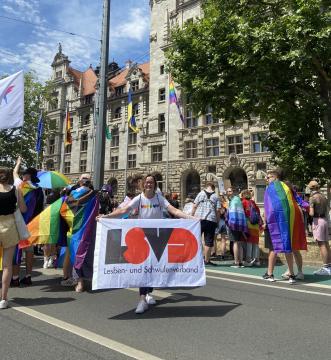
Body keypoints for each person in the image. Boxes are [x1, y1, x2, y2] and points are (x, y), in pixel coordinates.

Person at [97, 174, 197, 314]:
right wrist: (105, 217)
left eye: (151, 182)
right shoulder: (138, 199)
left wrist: (191, 218)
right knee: (143, 268)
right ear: (143, 184)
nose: (149, 184)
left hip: (157, 238)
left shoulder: (158, 198)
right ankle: (142, 299)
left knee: (153, 267)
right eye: (147, 182)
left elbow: (173, 211)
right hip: (142, 238)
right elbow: (124, 210)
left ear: (155, 185)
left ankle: (149, 293)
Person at [263, 170, 307, 283]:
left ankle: (271, 274)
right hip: (291, 220)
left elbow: (268, 207)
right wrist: (306, 205)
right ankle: (293, 274)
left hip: (277, 222)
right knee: (290, 248)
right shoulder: (287, 187)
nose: (267, 179)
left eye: (269, 177)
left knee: (276, 248)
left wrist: (266, 221)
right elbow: (298, 200)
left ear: (275, 177)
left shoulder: (271, 188)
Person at [12, 157, 44, 286]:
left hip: (18, 222)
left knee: (17, 249)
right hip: (32, 223)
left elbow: (14, 173)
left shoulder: (19, 185)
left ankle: (14, 278)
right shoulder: (39, 189)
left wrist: (18, 162)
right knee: (29, 251)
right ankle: (28, 276)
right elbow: (41, 207)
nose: (22, 175)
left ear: (27, 176)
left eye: (24, 173)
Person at [0, 167, 27, 308]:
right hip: (9, 226)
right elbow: (23, 209)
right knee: (7, 265)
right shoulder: (15, 190)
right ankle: (3, 299)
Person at [191, 182, 221, 266]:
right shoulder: (216, 196)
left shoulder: (200, 194)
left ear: (206, 186)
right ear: (213, 188)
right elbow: (218, 210)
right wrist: (218, 221)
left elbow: (194, 206)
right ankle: (206, 260)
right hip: (211, 220)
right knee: (208, 241)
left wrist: (191, 217)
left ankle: (195, 259)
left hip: (198, 219)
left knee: (196, 239)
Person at [308, 180, 331, 275]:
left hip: (318, 221)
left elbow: (312, 213)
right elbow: (327, 209)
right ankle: (329, 266)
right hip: (325, 220)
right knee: (326, 243)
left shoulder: (312, 198)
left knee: (321, 244)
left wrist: (306, 208)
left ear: (311, 188)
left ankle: (326, 267)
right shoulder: (323, 196)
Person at [226, 187, 247, 268]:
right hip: (241, 223)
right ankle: (241, 262)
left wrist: (228, 220)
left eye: (230, 191)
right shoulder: (238, 200)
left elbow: (230, 212)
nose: (229, 193)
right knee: (239, 243)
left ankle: (236, 262)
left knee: (235, 242)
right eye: (228, 191)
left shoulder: (233, 201)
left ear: (233, 192)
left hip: (234, 223)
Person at [240, 189, 262, 267]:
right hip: (255, 225)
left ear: (243, 195)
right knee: (255, 243)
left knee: (249, 242)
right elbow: (258, 212)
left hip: (248, 223)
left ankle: (248, 259)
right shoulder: (253, 202)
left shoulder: (243, 202)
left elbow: (241, 213)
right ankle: (257, 260)